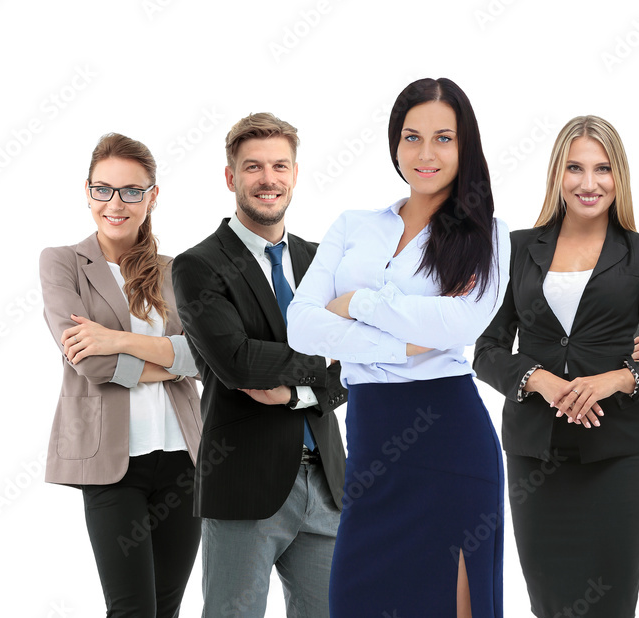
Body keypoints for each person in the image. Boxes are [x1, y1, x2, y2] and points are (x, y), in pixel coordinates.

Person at [287, 77, 509, 618]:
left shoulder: (488, 234)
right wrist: (404, 344)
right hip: (370, 441)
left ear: (465, 146)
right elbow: (301, 326)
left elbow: (458, 325)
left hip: (450, 442)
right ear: (394, 143)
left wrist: (358, 301)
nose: (425, 153)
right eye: (411, 137)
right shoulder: (352, 226)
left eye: (443, 138)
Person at [473, 115, 639, 617]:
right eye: (575, 168)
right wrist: (540, 380)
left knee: (610, 604)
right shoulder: (517, 248)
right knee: (550, 602)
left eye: (602, 169)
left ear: (620, 177)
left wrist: (615, 379)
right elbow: (487, 350)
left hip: (618, 457)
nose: (589, 183)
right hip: (535, 458)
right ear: (556, 174)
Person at [170, 112, 347, 618]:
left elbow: (357, 365)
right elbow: (238, 363)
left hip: (328, 485)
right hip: (245, 485)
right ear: (231, 178)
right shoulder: (199, 265)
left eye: (279, 166)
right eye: (253, 167)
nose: (268, 179)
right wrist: (327, 354)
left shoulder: (320, 261)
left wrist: (297, 392)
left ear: (294, 173)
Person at [39, 132, 202, 617]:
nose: (117, 203)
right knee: (132, 610)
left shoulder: (175, 270)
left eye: (132, 191)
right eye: (104, 189)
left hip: (183, 460)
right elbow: (88, 363)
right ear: (87, 191)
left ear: (152, 197)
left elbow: (207, 359)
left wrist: (119, 340)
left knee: (166, 610)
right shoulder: (62, 262)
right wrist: (169, 362)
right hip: (112, 464)